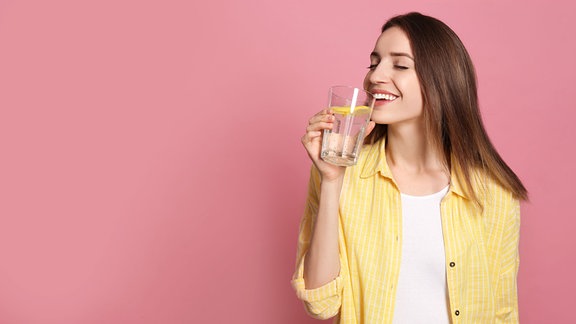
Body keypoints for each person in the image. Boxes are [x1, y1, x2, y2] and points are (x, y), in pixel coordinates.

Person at [292, 12, 527, 324]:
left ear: (441, 81)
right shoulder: (341, 173)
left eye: (400, 65)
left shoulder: (494, 192)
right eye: (374, 63)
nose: (375, 76)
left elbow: (502, 312)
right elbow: (321, 304)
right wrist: (332, 180)